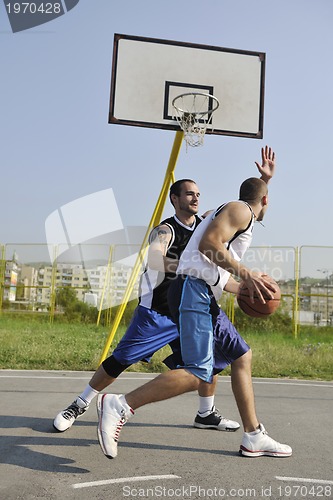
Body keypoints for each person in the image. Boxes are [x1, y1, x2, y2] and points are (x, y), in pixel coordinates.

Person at [96, 146, 293, 459]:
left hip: (202, 292)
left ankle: (254, 435)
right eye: (268, 197)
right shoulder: (241, 210)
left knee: (241, 355)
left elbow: (229, 224)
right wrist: (246, 275)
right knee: (199, 372)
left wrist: (263, 178)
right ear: (265, 201)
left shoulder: (238, 210)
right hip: (194, 291)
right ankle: (119, 405)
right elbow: (208, 244)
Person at [53, 179, 240, 433]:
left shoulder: (203, 227)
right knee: (121, 359)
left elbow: (237, 211)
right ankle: (80, 402)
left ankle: (205, 413)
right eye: (189, 194)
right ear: (174, 199)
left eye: (198, 194)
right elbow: (154, 258)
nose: (195, 198)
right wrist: (185, 268)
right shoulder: (165, 230)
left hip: (189, 310)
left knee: (210, 359)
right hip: (157, 313)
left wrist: (263, 183)